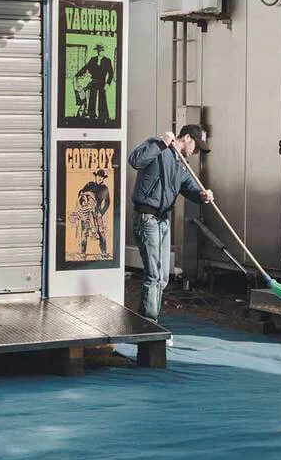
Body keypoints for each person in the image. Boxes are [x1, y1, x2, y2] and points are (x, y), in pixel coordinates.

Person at [128, 124, 214, 321]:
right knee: (155, 275)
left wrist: (201, 195)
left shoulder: (181, 164)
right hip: (147, 218)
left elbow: (188, 187)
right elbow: (135, 160)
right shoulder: (158, 146)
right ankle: (149, 323)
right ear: (187, 138)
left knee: (163, 277)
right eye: (197, 146)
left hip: (162, 220)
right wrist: (161, 144)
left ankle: (147, 320)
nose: (196, 152)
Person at [76, 44, 114, 123]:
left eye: (101, 50)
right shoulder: (93, 59)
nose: (100, 52)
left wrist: (108, 84)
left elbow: (111, 73)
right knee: (92, 98)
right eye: (99, 50)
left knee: (102, 99)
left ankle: (103, 116)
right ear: (97, 51)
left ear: (104, 51)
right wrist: (77, 74)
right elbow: (86, 67)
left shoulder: (107, 60)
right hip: (94, 81)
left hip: (102, 82)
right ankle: (92, 116)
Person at [77, 169, 111, 259]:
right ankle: (82, 253)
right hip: (86, 212)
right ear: (96, 176)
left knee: (101, 232)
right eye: (99, 176)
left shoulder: (105, 188)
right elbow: (80, 194)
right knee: (84, 232)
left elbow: (107, 203)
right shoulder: (89, 185)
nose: (100, 178)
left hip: (97, 212)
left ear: (104, 178)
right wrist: (84, 204)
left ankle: (104, 253)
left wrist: (101, 212)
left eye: (102, 177)